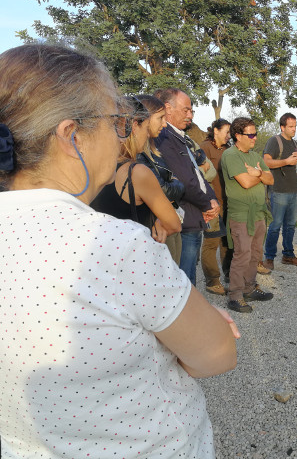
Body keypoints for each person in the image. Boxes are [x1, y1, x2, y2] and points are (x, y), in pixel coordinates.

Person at [0, 44, 239, 458]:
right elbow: (218, 354)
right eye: (115, 123)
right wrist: (180, 333)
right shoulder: (114, 246)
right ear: (71, 136)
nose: (120, 135)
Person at [90, 95, 182, 242]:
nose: (147, 135)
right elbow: (173, 224)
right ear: (133, 127)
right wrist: (157, 221)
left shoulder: (89, 165)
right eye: (146, 129)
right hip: (129, 257)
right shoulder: (136, 173)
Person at [153, 88, 221, 284]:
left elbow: (198, 175)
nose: (190, 115)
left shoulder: (179, 137)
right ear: (168, 108)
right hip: (183, 218)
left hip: (192, 215)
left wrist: (211, 200)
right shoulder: (164, 137)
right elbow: (185, 180)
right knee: (183, 280)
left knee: (189, 274)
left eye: (192, 111)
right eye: (186, 110)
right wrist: (208, 203)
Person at [221, 117, 275, 313]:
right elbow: (244, 182)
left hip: (259, 212)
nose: (254, 138)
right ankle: (235, 296)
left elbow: (270, 179)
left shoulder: (255, 156)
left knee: (255, 254)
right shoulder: (230, 155)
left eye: (255, 134)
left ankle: (249, 288)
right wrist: (258, 176)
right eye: (250, 134)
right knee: (242, 255)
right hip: (241, 214)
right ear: (238, 135)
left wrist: (257, 174)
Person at [135, 94, 186, 261]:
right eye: (160, 118)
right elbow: (164, 189)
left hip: (163, 222)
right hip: (155, 228)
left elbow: (174, 182)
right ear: (143, 119)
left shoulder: (153, 150)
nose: (165, 124)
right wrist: (176, 183)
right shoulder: (137, 158)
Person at [262, 112, 297, 270]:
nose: (294, 129)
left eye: (295, 126)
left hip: (292, 191)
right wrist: (286, 161)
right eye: (290, 126)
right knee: (275, 225)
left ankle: (288, 255)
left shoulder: (295, 143)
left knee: (290, 225)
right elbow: (266, 161)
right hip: (278, 190)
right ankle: (269, 258)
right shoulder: (274, 141)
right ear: (282, 127)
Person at [200, 118, 232, 295]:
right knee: (211, 242)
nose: (229, 136)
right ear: (216, 130)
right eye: (226, 132)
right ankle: (212, 281)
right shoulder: (203, 148)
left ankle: (228, 275)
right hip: (211, 203)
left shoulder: (229, 150)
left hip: (227, 202)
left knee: (226, 241)